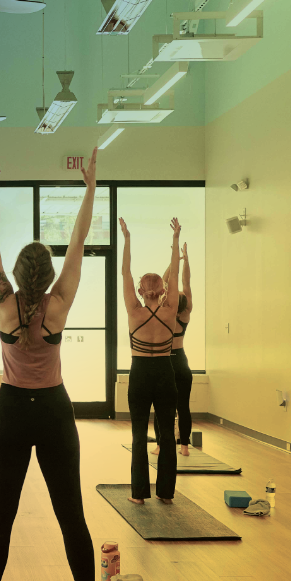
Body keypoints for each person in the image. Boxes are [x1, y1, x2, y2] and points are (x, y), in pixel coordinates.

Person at [0, 145, 99, 581]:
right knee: (71, 512)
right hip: (53, 411)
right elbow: (79, 240)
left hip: (10, 412)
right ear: (46, 276)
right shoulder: (59, 304)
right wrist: (89, 188)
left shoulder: (4, 303)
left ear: (16, 276)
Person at [122, 216, 182, 506]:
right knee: (167, 436)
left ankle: (138, 495)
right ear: (164, 290)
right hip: (165, 372)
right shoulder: (171, 309)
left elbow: (125, 273)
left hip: (141, 373)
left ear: (140, 291)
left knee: (137, 435)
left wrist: (127, 239)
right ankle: (166, 493)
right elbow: (176, 275)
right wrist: (174, 241)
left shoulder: (134, 311)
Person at [154, 244, 194, 458]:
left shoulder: (165, 312)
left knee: (161, 406)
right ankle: (184, 447)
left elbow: (164, 280)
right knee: (183, 406)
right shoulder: (185, 312)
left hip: (165, 362)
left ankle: (160, 445)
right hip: (181, 361)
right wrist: (185, 260)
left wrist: (174, 261)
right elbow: (186, 282)